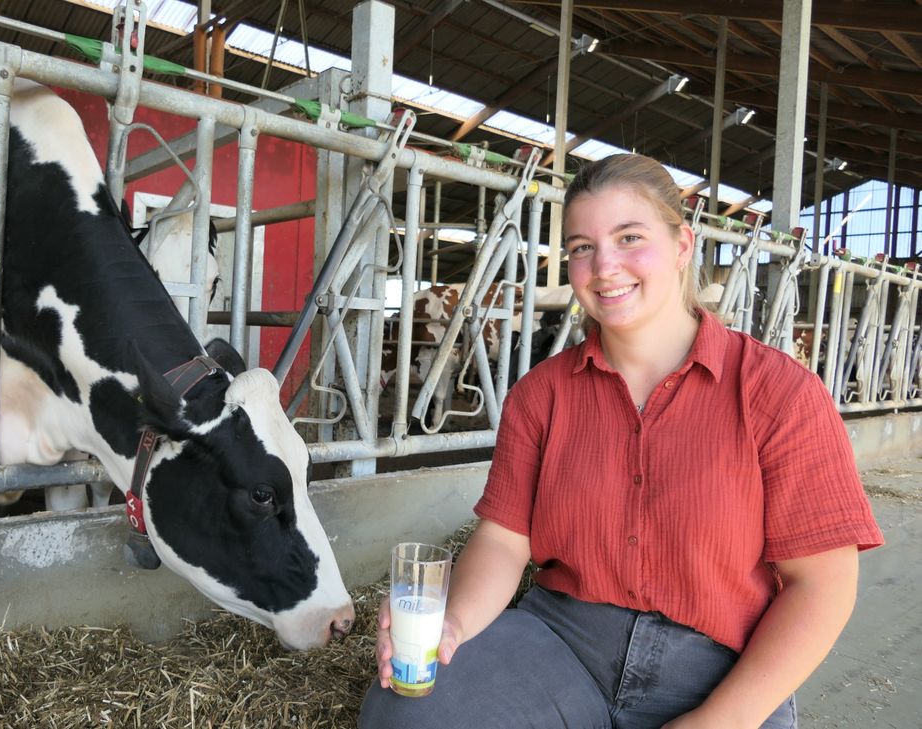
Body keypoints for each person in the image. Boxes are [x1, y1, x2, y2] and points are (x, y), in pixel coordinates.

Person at [359, 153, 884, 729]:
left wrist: (719, 722)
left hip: (719, 662)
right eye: (582, 246)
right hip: (562, 641)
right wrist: (454, 622)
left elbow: (822, 586)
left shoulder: (779, 392)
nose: (605, 266)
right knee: (406, 712)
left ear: (682, 245)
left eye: (629, 237)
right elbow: (505, 541)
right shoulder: (541, 395)